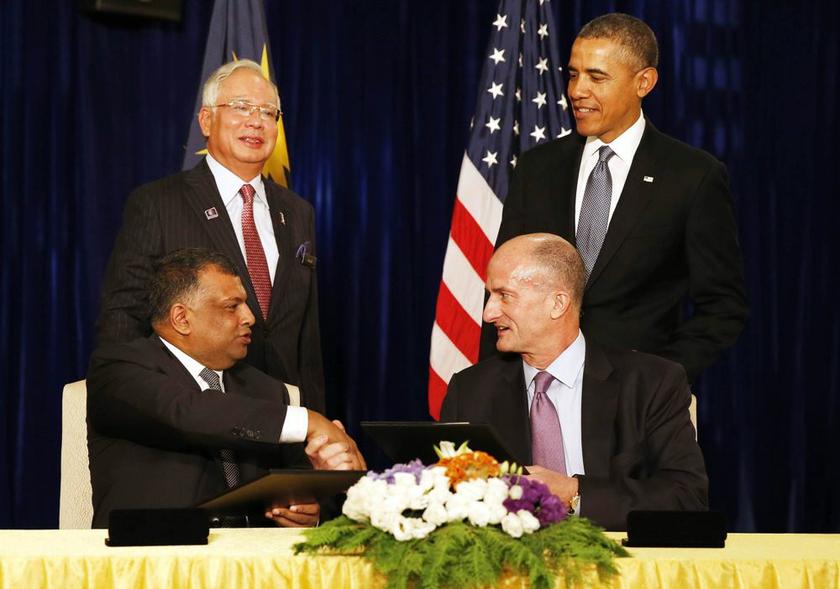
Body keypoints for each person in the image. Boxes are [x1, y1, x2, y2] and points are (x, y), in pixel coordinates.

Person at [481, 13, 748, 384]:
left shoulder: (693, 176)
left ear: (644, 82)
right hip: (536, 389)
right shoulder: (538, 168)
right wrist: (490, 388)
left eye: (597, 76)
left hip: (641, 405)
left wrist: (661, 375)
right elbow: (503, 284)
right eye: (573, 74)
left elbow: (723, 306)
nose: (576, 90)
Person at [96, 59, 327, 413]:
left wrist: (314, 420)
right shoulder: (158, 203)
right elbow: (124, 321)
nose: (256, 121)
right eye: (241, 107)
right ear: (206, 120)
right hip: (191, 421)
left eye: (268, 112)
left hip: (282, 419)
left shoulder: (298, 212)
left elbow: (306, 339)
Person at [443, 234, 708, 531]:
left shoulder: (650, 383)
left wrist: (574, 493)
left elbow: (687, 497)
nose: (488, 313)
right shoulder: (470, 390)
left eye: (504, 295)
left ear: (557, 304)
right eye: (490, 296)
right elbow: (448, 501)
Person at [87, 248, 365, 529]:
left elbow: (300, 492)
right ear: (182, 318)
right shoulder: (118, 369)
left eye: (246, 305)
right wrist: (309, 421)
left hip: (253, 564)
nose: (250, 318)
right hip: (151, 558)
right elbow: (188, 412)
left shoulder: (266, 390)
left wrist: (310, 506)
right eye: (232, 306)